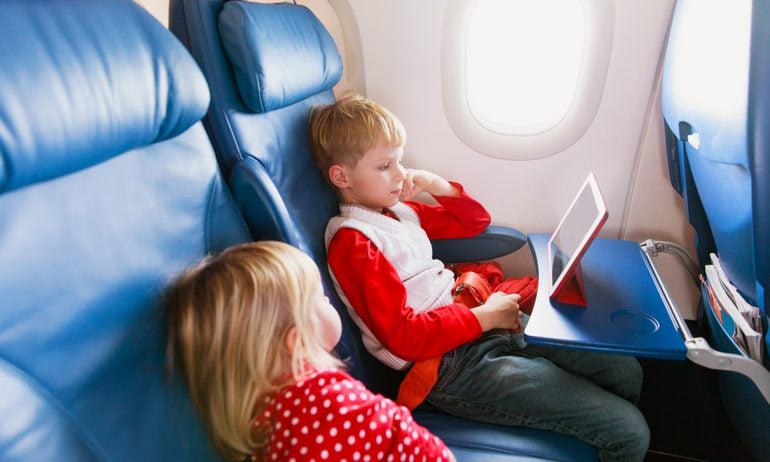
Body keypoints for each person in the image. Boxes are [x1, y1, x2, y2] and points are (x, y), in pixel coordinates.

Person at [309, 94, 650, 462]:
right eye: (384, 166)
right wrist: (484, 318)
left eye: (400, 161)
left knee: (625, 371)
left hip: (481, 317)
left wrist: (436, 185)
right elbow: (405, 337)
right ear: (341, 176)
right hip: (450, 365)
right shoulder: (354, 242)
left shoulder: (398, 213)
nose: (400, 174)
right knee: (629, 432)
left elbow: (475, 222)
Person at [165, 241, 455, 461]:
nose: (328, 300)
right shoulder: (326, 399)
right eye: (321, 295)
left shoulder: (263, 419)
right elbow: (420, 449)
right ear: (298, 341)